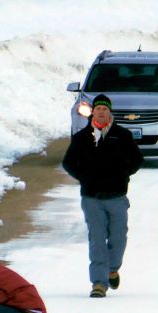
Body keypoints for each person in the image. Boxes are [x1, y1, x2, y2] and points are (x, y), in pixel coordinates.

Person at [62, 93, 144, 298]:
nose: (101, 112)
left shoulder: (122, 136)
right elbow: (68, 163)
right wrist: (84, 177)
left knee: (118, 237)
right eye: (98, 109)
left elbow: (136, 159)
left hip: (116, 196)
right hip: (92, 198)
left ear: (109, 112)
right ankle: (98, 283)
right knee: (97, 239)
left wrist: (123, 174)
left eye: (105, 109)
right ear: (93, 112)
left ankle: (112, 269)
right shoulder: (81, 138)